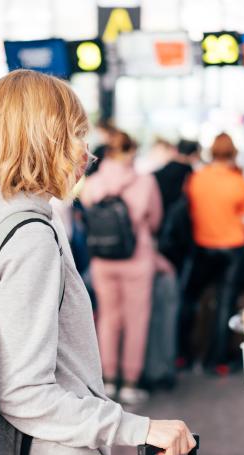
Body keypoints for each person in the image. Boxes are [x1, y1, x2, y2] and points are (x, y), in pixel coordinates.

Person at [0, 70, 194, 455]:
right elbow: (24, 391)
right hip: (54, 453)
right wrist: (138, 429)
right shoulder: (30, 234)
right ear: (41, 140)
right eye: (73, 135)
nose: (86, 152)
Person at [81, 130, 164, 404]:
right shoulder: (146, 182)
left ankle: (107, 380)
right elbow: (154, 221)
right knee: (136, 320)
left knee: (107, 319)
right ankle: (130, 382)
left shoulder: (92, 183)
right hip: (137, 259)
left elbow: (85, 215)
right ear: (131, 152)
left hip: (103, 260)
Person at [178, 133, 244, 372]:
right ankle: (217, 361)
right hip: (233, 249)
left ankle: (184, 355)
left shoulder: (197, 179)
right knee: (225, 304)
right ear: (233, 154)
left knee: (189, 299)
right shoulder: (239, 182)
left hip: (202, 247)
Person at [154, 139, 199, 216]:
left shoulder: (158, 173)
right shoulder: (193, 177)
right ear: (193, 155)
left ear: (177, 150)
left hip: (160, 219)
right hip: (182, 223)